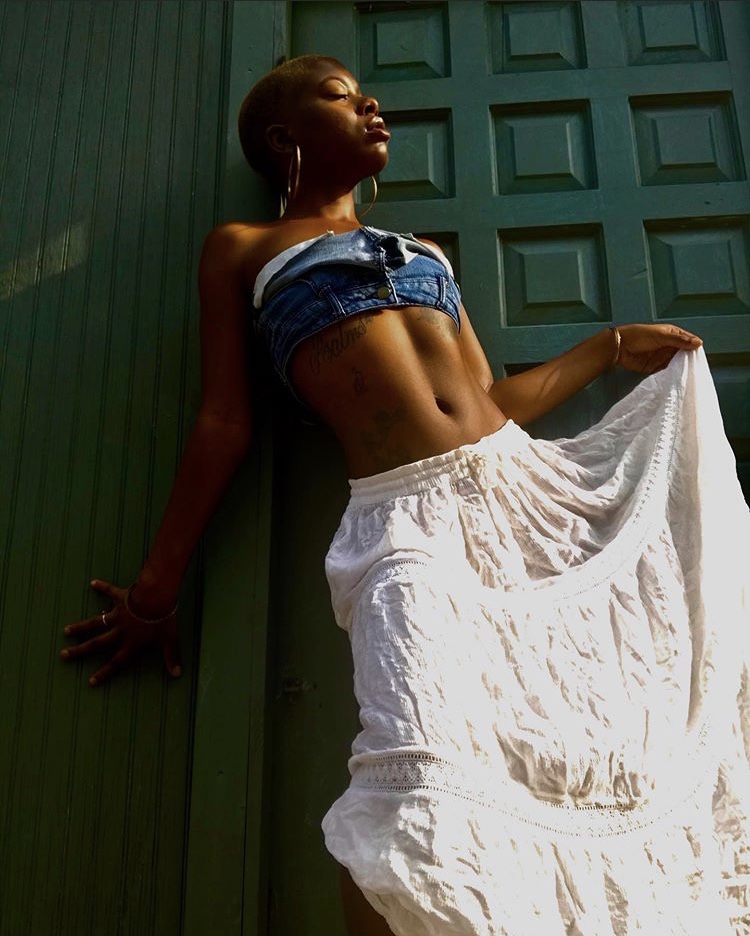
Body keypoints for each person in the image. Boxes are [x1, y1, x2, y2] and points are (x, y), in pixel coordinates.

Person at [60, 55, 750, 935]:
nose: (371, 103)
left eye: (364, 94)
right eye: (340, 95)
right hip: (406, 523)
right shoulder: (241, 248)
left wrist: (608, 348)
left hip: (525, 499)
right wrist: (156, 591)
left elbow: (489, 400)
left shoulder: (425, 254)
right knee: (413, 781)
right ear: (284, 136)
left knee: (594, 742)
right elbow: (225, 421)